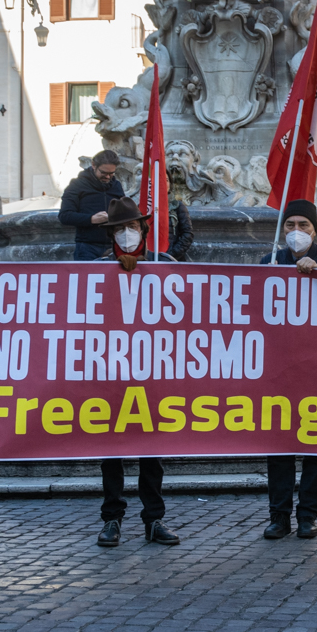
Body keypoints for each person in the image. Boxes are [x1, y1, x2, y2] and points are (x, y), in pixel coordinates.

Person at [95, 197, 180, 546]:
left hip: (152, 371)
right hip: (109, 373)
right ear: (111, 234)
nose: (126, 234)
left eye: (131, 227)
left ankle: (154, 519)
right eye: (119, 229)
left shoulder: (165, 264)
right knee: (110, 453)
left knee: (151, 453)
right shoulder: (94, 268)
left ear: (143, 229)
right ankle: (112, 519)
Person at [259, 199, 317, 540]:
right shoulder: (269, 262)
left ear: (315, 230)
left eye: (303, 225)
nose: (296, 231)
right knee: (279, 447)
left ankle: (308, 515)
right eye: (290, 225)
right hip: (279, 370)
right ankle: (279, 516)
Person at [59, 150, 126, 261]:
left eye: (111, 173)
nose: (108, 177)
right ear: (93, 165)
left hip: (115, 245)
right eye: (103, 172)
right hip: (87, 247)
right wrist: (91, 219)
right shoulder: (76, 185)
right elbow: (64, 216)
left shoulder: (117, 186)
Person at [167, 178, 194, 261]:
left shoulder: (178, 206)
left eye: (167, 180)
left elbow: (187, 234)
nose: (164, 183)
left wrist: (172, 254)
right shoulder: (145, 207)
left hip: (172, 259)